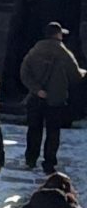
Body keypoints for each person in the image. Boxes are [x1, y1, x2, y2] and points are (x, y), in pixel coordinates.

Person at [19, 21, 84, 172]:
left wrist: (36, 89)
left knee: (34, 130)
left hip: (36, 97)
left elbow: (24, 72)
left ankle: (30, 159)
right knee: (53, 133)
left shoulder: (35, 50)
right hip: (56, 99)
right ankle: (49, 163)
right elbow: (75, 75)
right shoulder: (64, 52)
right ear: (58, 35)